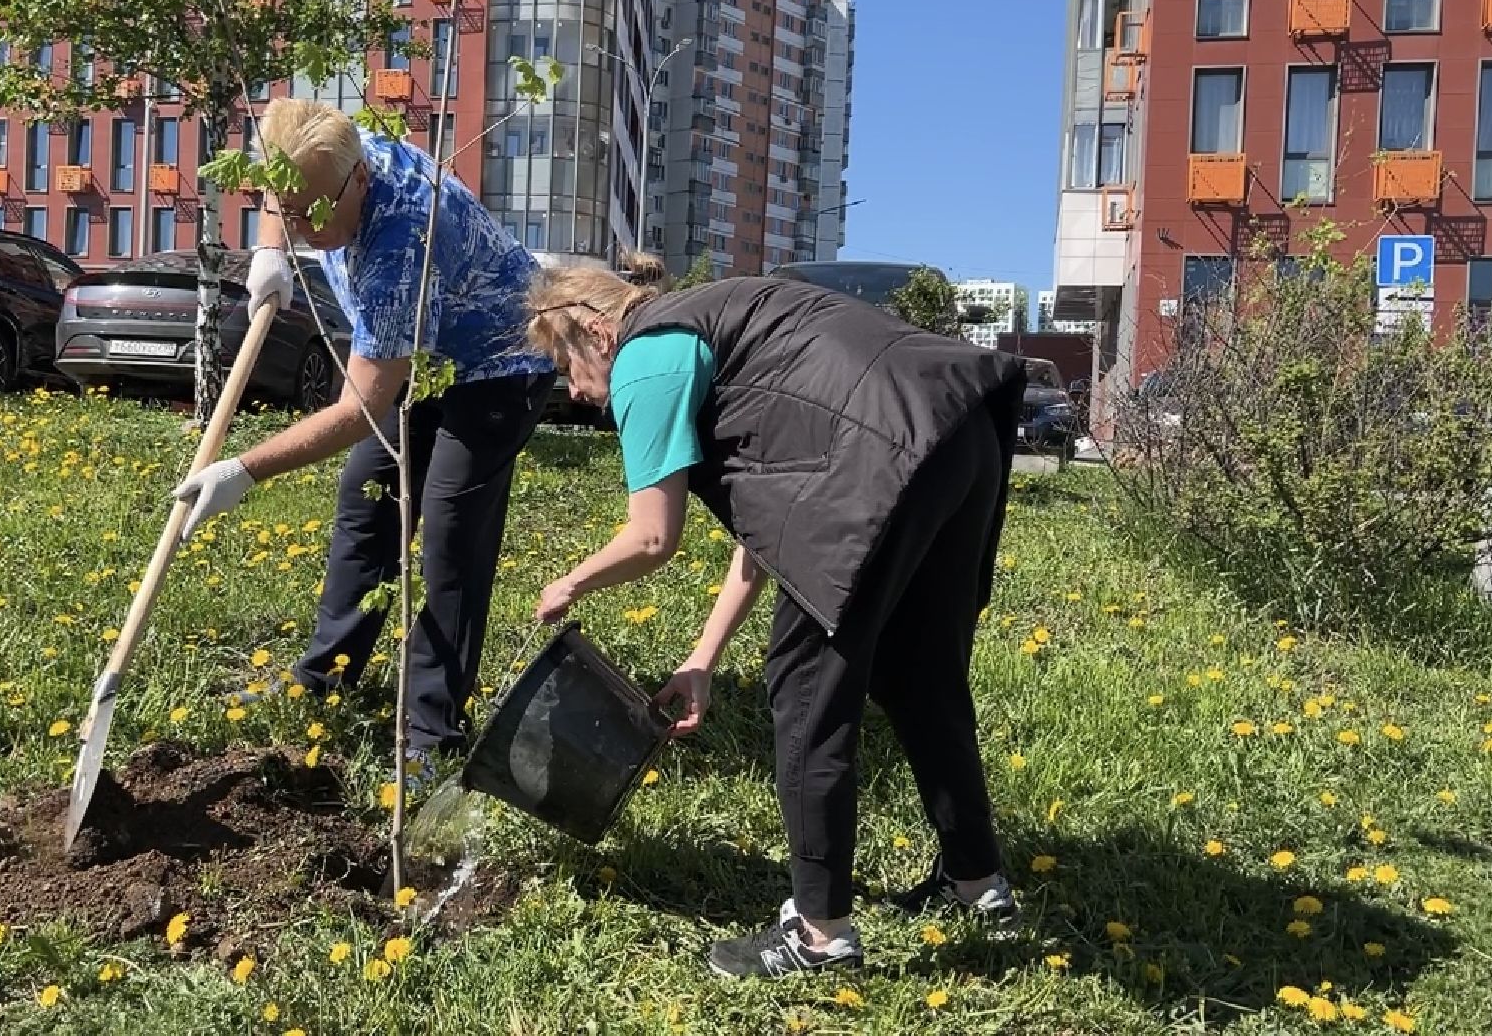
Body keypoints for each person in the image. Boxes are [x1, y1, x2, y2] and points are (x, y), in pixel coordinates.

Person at [523, 266, 1026, 980]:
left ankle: (820, 937)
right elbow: (772, 533)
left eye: (563, 364)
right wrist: (702, 657)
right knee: (922, 678)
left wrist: (569, 582)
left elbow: (650, 539)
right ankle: (978, 887)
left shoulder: (644, 355)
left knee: (804, 694)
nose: (570, 390)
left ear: (595, 332)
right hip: (953, 430)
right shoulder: (722, 319)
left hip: (875, 459)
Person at [173, 98, 554, 773]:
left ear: (358, 183)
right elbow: (281, 180)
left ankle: (432, 734)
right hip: (424, 357)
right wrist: (271, 251)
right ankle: (325, 678)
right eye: (286, 211)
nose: (302, 227)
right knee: (366, 499)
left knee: (448, 535)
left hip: (498, 362)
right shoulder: (326, 151)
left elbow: (362, 406)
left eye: (313, 213)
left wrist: (246, 469)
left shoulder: (401, 240)